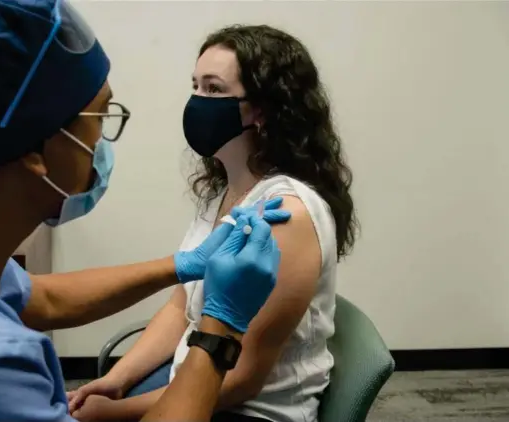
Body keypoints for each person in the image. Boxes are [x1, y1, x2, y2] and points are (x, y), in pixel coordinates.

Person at [0, 2, 292, 422]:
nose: (102, 139)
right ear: (36, 149)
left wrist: (182, 266)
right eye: (99, 117)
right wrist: (220, 326)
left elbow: (42, 299)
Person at [68, 25, 359, 422]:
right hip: (194, 379)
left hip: (249, 410)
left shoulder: (286, 214)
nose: (197, 101)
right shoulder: (224, 190)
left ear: (261, 109)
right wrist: (116, 380)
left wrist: (114, 412)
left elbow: (242, 379)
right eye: (196, 86)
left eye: (214, 89)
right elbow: (181, 306)